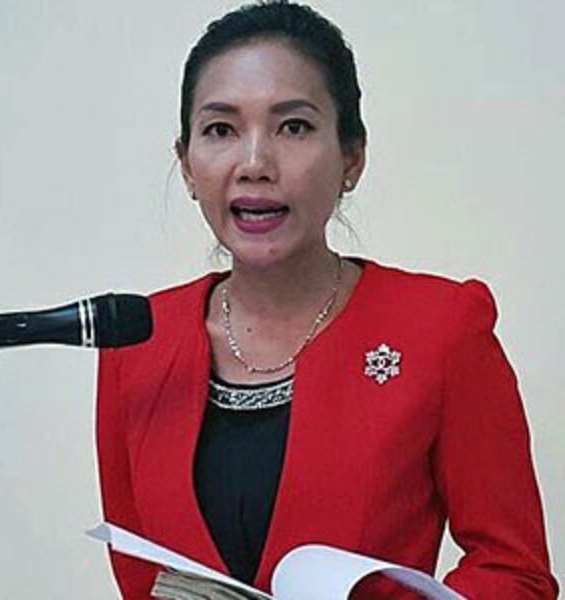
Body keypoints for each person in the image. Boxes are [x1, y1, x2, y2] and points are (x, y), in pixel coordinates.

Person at [95, 2, 558, 598]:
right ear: (186, 165)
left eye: (293, 127)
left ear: (351, 158)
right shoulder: (136, 341)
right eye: (221, 130)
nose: (255, 163)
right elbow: (140, 579)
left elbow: (515, 572)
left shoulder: (442, 329)